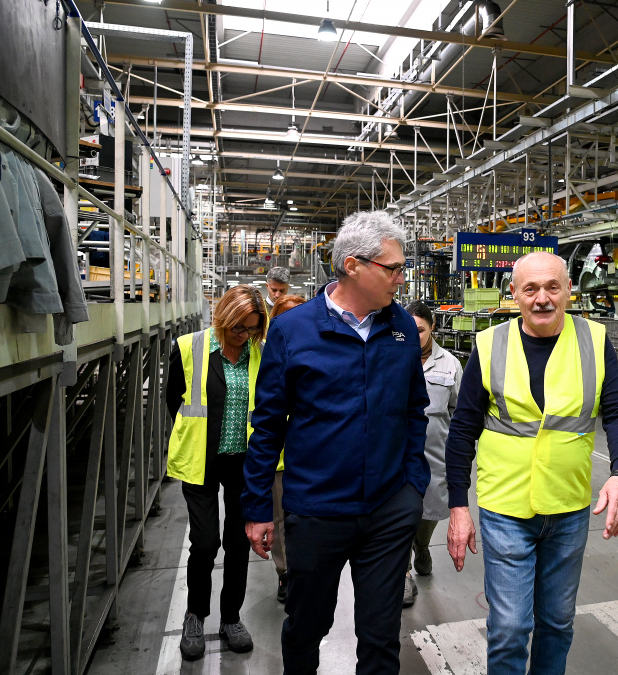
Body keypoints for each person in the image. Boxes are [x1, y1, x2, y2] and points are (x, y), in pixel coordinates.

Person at [242, 211, 429, 675]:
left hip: (388, 508)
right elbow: (268, 425)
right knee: (306, 627)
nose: (401, 279)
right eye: (393, 268)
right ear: (352, 266)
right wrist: (258, 507)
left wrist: (413, 486)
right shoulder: (293, 329)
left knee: (381, 636)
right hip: (317, 511)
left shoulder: (402, 328)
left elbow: (414, 410)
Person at [446, 251, 618, 675]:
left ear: (569, 290)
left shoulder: (593, 339)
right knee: (510, 627)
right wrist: (458, 505)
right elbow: (462, 428)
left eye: (553, 287)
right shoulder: (490, 344)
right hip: (505, 507)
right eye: (530, 288)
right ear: (514, 294)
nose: (542, 298)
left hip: (569, 506)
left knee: (557, 622)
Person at [165, 284, 268, 660]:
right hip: (201, 459)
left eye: (253, 328)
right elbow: (173, 399)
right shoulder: (189, 346)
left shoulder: (261, 353)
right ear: (223, 318)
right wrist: (192, 437)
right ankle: (195, 615)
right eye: (239, 327)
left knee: (238, 543)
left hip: (244, 462)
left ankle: (231, 618)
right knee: (206, 543)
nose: (245, 335)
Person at [403, 299, 463, 608]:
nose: (415, 336)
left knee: (432, 512)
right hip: (401, 456)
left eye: (421, 330)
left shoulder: (450, 364)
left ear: (432, 327)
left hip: (437, 456)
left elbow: (459, 411)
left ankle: (422, 546)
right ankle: (403, 573)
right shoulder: (395, 358)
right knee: (400, 515)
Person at [267, 293, 306, 603]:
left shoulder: (317, 352)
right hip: (279, 458)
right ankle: (285, 573)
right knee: (280, 522)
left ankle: (307, 570)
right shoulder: (267, 355)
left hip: (311, 456)